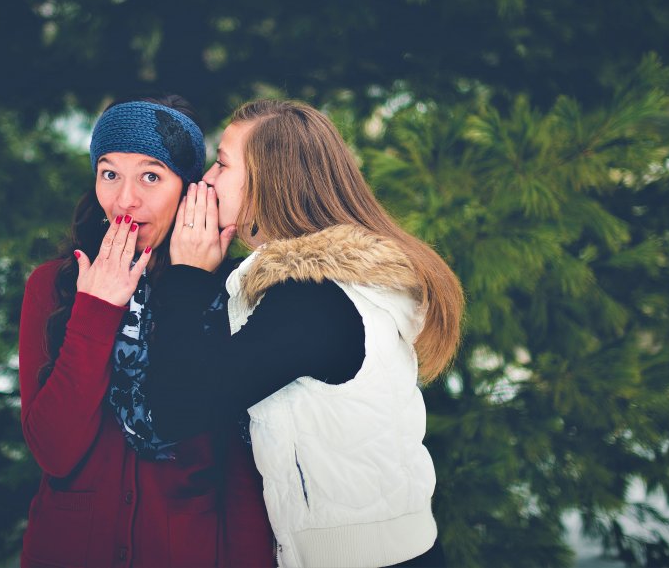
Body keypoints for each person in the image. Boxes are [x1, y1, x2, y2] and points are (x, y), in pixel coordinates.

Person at [142, 99, 464, 568]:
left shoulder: (314, 302)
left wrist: (187, 275)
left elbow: (175, 408)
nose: (207, 180)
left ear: (268, 181)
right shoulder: (338, 286)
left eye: (223, 163)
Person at [17, 97, 273, 568]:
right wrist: (95, 310)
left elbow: (240, 471)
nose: (124, 200)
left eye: (151, 176)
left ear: (189, 190)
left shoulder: (228, 291)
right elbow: (54, 452)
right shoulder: (53, 286)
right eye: (110, 173)